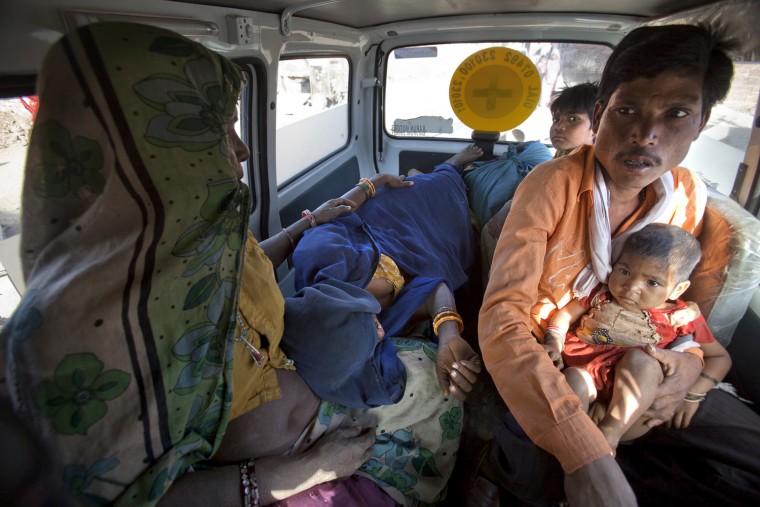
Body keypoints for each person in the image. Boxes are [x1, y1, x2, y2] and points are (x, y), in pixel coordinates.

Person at [0, 21, 464, 507]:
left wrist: (305, 226)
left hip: (305, 381)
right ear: (154, 150)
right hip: (285, 450)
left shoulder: (190, 234)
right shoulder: (71, 345)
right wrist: (295, 473)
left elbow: (231, 276)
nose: (243, 148)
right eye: (219, 132)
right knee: (442, 388)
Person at [476, 24, 760, 507]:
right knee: (520, 478)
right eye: (627, 110)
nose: (645, 135)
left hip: (646, 361)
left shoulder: (685, 193)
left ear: (701, 121)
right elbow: (504, 316)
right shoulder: (551, 184)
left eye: (676, 114)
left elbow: (674, 305)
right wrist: (586, 454)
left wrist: (687, 377)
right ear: (601, 113)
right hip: (559, 364)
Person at [282, 146, 484, 408]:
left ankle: (451, 166)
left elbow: (338, 210)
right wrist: (449, 333)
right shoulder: (382, 320)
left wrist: (378, 181)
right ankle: (449, 180)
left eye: (369, 330)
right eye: (375, 341)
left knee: (433, 185)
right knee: (457, 230)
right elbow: (435, 288)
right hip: (426, 245)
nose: (381, 333)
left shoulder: (318, 255)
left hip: (390, 214)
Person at [542, 223, 731, 452]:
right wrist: (554, 341)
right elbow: (564, 315)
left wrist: (692, 396)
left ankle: (608, 435)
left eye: (652, 282)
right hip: (585, 383)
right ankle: (577, 446)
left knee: (640, 360)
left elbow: (720, 358)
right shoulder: (600, 293)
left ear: (678, 289)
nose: (630, 287)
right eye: (624, 271)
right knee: (573, 378)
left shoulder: (681, 316)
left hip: (632, 411)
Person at [548, 82, 597, 158]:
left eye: (573, 119)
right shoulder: (562, 155)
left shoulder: (600, 165)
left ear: (597, 125)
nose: (558, 127)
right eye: (556, 120)